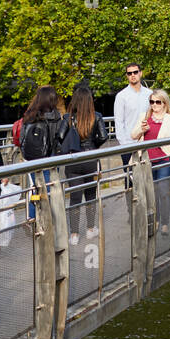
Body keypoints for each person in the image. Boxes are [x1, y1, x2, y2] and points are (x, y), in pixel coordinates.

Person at [132, 89, 170, 236]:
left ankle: (165, 222)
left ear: (164, 103)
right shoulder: (145, 117)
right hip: (147, 161)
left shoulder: (169, 119)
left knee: (163, 191)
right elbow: (133, 135)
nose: (154, 105)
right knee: (151, 193)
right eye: (151, 102)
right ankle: (156, 219)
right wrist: (142, 129)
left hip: (164, 159)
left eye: (157, 102)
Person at [17, 85, 72, 220]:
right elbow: (59, 137)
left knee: (35, 187)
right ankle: (47, 219)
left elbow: (21, 137)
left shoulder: (29, 115)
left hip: (31, 157)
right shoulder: (55, 116)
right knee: (48, 188)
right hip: (49, 157)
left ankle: (32, 217)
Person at [64, 85, 107, 245]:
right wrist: (92, 145)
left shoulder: (68, 117)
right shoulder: (96, 116)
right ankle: (90, 229)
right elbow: (103, 136)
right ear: (90, 100)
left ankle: (74, 234)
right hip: (91, 159)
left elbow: (60, 137)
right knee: (90, 195)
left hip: (73, 161)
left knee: (75, 198)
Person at [114, 63, 151, 185]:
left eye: (135, 72)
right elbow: (119, 122)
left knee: (148, 179)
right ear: (127, 76)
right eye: (129, 73)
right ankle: (131, 204)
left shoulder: (149, 94)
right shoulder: (121, 96)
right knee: (131, 181)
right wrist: (124, 144)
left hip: (147, 143)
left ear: (140, 73)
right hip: (129, 145)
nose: (133, 75)